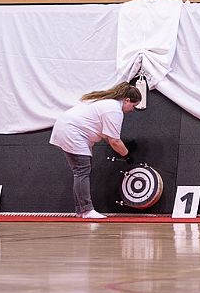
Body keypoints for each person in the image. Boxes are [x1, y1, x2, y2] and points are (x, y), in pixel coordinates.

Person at [49, 82, 141, 219]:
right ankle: (87, 210)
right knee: (82, 171)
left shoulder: (107, 103)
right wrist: (127, 155)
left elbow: (108, 137)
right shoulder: (114, 110)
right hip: (72, 131)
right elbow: (114, 141)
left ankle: (81, 210)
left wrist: (124, 148)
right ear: (127, 100)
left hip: (66, 128)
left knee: (80, 171)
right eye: (133, 106)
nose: (133, 110)